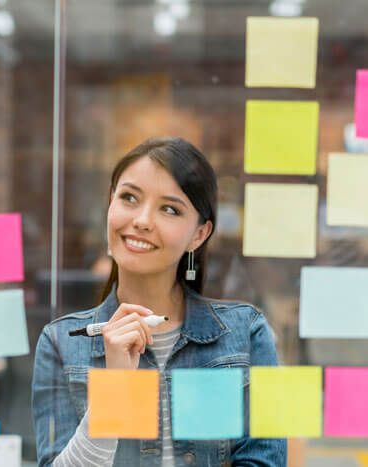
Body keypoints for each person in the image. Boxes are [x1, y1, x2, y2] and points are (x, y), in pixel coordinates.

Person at [31, 138, 286, 466]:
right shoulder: (61, 343)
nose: (142, 220)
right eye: (129, 198)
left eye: (169, 209)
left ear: (199, 234)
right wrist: (115, 389)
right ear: (110, 204)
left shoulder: (245, 334)